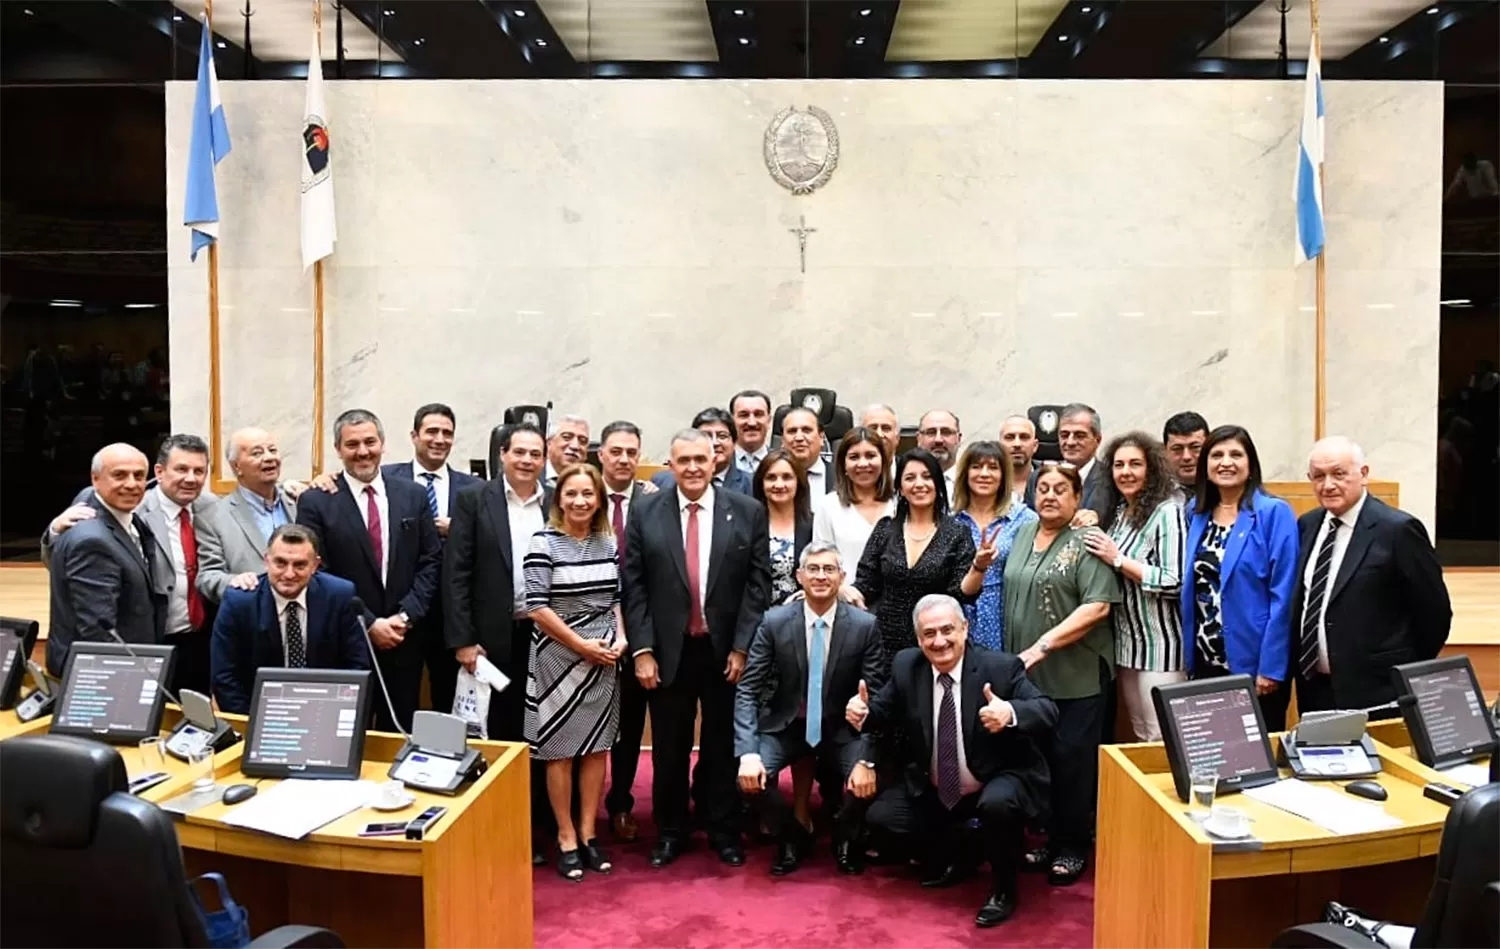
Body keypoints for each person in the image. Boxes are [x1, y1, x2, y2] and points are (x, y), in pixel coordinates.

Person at [850, 594, 1057, 929]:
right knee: (883, 818)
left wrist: (1010, 712)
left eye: (948, 630)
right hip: (937, 784)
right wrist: (863, 713)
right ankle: (963, 851)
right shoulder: (907, 665)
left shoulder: (1000, 667)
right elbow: (881, 713)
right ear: (918, 639)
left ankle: (1004, 889)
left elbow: (1048, 710)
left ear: (965, 628)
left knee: (998, 805)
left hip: (997, 777)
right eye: (929, 633)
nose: (940, 640)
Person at [622, 429, 771, 868]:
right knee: (669, 746)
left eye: (699, 460)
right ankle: (671, 831)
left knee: (722, 744)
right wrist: (643, 650)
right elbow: (634, 587)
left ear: (714, 463)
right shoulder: (646, 511)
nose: (691, 468)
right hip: (669, 650)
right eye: (682, 460)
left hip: (724, 650)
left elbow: (756, 587)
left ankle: (723, 829)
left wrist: (743, 648)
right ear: (670, 464)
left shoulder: (746, 511)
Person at [1003, 463, 1120, 886]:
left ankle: (1073, 845)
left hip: (1077, 675)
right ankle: (1049, 837)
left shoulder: (1087, 540)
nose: (1050, 495)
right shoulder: (1022, 534)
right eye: (1043, 488)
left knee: (1073, 763)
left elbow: (1098, 606)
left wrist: (1042, 646)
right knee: (1041, 761)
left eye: (1061, 489)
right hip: (1030, 680)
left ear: (1077, 498)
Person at [735, 542, 883, 876]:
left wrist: (867, 758)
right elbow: (747, 689)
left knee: (870, 778)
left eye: (828, 569)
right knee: (748, 779)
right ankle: (792, 837)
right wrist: (748, 754)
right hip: (788, 727)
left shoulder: (864, 626)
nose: (820, 576)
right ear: (799, 576)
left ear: (842, 577)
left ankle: (845, 837)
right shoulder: (775, 622)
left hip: (842, 730)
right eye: (813, 569)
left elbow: (878, 695)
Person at [295, 409, 440, 732]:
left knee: (399, 733)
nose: (363, 451)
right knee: (344, 733)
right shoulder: (316, 501)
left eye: (370, 442)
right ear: (338, 450)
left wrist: (404, 617)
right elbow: (318, 571)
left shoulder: (413, 495)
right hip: (346, 640)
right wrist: (370, 623)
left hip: (405, 639)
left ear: (383, 444)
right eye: (352, 444)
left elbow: (430, 561)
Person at [1294, 437, 1451, 713]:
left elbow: (1434, 613)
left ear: (1363, 474)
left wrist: (1402, 669)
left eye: (1339, 474)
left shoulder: (1398, 530)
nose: (1328, 485)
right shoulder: (1307, 525)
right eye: (1318, 476)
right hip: (1315, 689)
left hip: (1378, 692)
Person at [525, 464, 624, 882]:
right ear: (558, 498)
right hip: (557, 656)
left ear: (599, 499)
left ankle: (588, 832)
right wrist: (581, 645)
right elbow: (536, 606)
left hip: (603, 658)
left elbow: (617, 599)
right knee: (559, 751)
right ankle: (565, 835)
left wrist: (621, 638)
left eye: (588, 493)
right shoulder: (543, 541)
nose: (580, 501)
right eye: (572, 494)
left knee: (597, 748)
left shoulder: (608, 540)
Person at [1180, 425, 1298, 731]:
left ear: (1251, 464)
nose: (1225, 462)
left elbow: (1283, 595)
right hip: (1207, 661)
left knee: (1257, 760)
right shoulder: (1197, 511)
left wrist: (1271, 667)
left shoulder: (1274, 513)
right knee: (1217, 754)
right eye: (1216, 454)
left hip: (1254, 664)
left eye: (1236, 454)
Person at [445, 422, 551, 742]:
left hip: (545, 634)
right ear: (502, 454)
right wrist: (462, 640)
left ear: (544, 461)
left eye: (535, 454)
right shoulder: (474, 499)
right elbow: (456, 573)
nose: (526, 460)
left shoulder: (557, 501)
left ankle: (535, 793)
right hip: (491, 637)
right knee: (498, 726)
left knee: (540, 723)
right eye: (519, 452)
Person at [379, 404, 482, 716]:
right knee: (398, 703)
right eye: (432, 432)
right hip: (401, 612)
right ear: (414, 436)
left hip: (452, 616)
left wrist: (462, 530)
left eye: (447, 433)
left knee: (450, 704)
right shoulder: (384, 478)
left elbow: (491, 546)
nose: (439, 439)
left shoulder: (475, 488)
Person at [1084, 432, 1186, 741]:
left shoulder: (1167, 512)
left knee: (1164, 739)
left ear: (1151, 469)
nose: (1125, 472)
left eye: (1135, 464)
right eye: (1118, 465)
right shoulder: (1119, 514)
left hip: (1162, 647)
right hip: (1128, 646)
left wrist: (1117, 559)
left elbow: (1173, 580)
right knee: (1142, 736)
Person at [210, 524, 369, 714]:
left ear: (315, 565)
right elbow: (224, 676)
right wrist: (253, 724)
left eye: (300, 565)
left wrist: (332, 714)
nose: (289, 574)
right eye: (280, 563)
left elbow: (356, 666)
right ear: (266, 560)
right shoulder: (239, 602)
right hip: (257, 710)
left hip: (324, 709)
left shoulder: (339, 595)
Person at [45, 443, 165, 676]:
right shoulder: (93, 542)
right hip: (104, 673)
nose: (131, 484)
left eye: (139, 476)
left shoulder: (96, 502)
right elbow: (99, 630)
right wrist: (129, 679)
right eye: (119, 475)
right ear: (95, 478)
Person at [854, 448, 979, 670]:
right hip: (885, 647)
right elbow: (866, 584)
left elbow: (961, 593)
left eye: (927, 477)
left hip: (937, 645)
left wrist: (979, 567)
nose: (919, 484)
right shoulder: (885, 529)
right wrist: (832, 588)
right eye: (910, 478)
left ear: (938, 484)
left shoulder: (957, 532)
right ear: (901, 488)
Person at [597, 420, 654, 842]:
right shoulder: (578, 495)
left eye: (631, 452)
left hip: (637, 630)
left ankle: (619, 802)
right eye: (615, 451)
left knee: (630, 725)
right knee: (584, 724)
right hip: (582, 631)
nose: (623, 459)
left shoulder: (654, 502)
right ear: (600, 454)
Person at [196, 427, 299, 602]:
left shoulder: (299, 501)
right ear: (236, 466)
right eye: (257, 453)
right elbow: (207, 576)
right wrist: (234, 581)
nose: (269, 457)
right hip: (251, 615)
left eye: (272, 450)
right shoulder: (212, 517)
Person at [951, 442, 1036, 651]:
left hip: (1006, 613)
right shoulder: (950, 520)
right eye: (977, 467)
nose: (984, 474)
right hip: (959, 615)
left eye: (993, 467)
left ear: (1003, 475)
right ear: (965, 473)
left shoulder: (1024, 519)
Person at [813, 427, 895, 599]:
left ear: (884, 461)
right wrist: (841, 590)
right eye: (854, 457)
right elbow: (821, 559)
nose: (863, 464)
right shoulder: (829, 506)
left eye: (871, 456)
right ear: (843, 464)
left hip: (895, 606)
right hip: (847, 605)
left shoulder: (899, 504)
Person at [752, 448, 813, 606]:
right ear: (761, 483)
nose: (779, 485)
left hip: (800, 617)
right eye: (771, 478)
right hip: (758, 618)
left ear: (798, 481)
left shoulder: (813, 524)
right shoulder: (749, 524)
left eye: (787, 477)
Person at [1025, 403, 1109, 515]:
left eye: (1079, 435)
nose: (1070, 442)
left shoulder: (1109, 480)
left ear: (1097, 440)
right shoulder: (1036, 478)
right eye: (1064, 435)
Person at [652, 408, 752, 495]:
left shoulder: (752, 484)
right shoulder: (662, 481)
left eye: (722, 436)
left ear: (734, 443)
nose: (715, 443)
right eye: (706, 436)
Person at [781, 407, 833, 496]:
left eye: (806, 430)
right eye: (792, 431)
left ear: (821, 438)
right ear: (782, 440)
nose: (799, 438)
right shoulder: (770, 480)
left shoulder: (843, 477)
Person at [915, 409, 962, 496]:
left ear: (958, 439)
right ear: (919, 439)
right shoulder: (906, 484)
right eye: (931, 432)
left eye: (946, 432)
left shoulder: (972, 483)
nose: (938, 440)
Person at [1162, 412, 1210, 497]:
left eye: (1195, 447)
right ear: (1165, 451)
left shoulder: (1229, 487)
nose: (1186, 457)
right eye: (1177, 449)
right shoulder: (1154, 494)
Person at [730, 389, 773, 477]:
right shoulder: (719, 464)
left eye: (758, 414)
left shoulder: (785, 464)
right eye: (744, 415)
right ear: (731, 421)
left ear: (769, 421)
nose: (751, 423)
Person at [998, 416, 1038, 507]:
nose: (1017, 444)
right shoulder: (986, 480)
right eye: (1009, 437)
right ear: (999, 445)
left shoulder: (1050, 479)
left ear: (1035, 446)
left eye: (1024, 437)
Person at [544, 414, 590, 487]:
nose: (575, 446)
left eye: (583, 441)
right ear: (549, 443)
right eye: (567, 437)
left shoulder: (591, 485)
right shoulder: (532, 476)